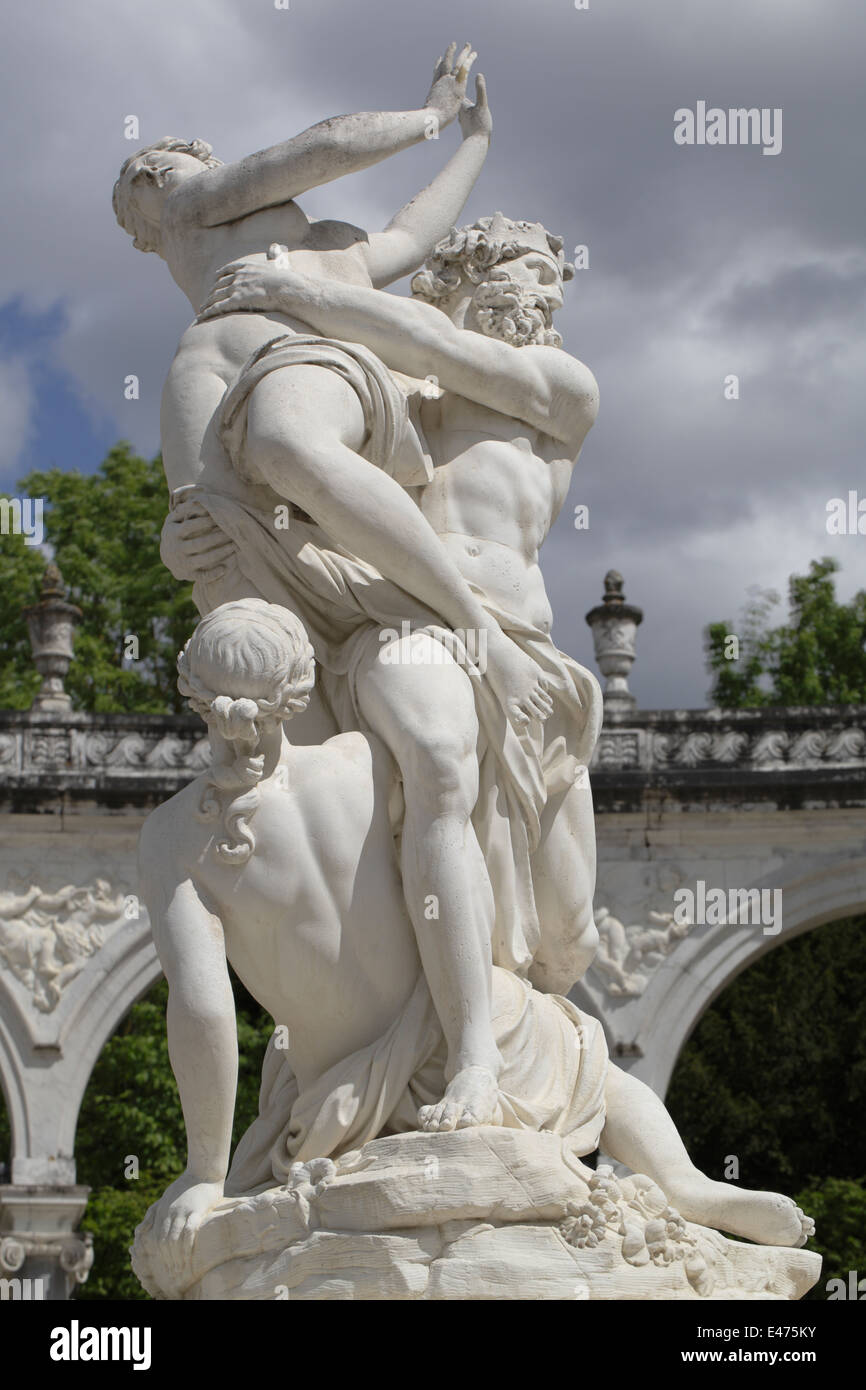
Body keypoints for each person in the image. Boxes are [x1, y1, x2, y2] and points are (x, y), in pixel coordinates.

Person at [117, 59, 558, 1129]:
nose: (149, 174)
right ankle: (362, 1056)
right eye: (142, 178)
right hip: (278, 571)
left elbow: (322, 161)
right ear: (142, 232)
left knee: (283, 438)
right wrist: (187, 545)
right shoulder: (199, 314)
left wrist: (441, 126)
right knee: (321, 792)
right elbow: (404, 237)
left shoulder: (281, 241)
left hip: (305, 385)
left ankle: (474, 1062)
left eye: (163, 162)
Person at [139, 599, 813, 1262]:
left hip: (342, 1099)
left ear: (190, 687)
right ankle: (685, 1182)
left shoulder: (172, 837)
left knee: (287, 1058)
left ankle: (684, 1182)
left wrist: (205, 1174)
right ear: (301, 685)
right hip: (472, 1029)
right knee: (580, 1054)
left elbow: (203, 1009)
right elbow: (441, 852)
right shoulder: (362, 759)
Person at [194, 213, 605, 997]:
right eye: (525, 270)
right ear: (460, 278)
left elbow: (442, 348)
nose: (548, 290)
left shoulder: (561, 389)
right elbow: (300, 476)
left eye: (555, 278)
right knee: (431, 779)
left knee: (568, 942)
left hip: (527, 652)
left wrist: (295, 288)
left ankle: (530, 1053)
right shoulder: (390, 397)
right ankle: (452, 1038)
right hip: (408, 623)